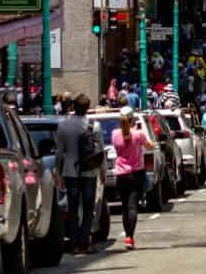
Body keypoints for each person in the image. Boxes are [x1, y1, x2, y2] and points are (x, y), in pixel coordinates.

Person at [54, 94, 103, 254]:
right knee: (89, 207)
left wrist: (59, 173)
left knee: (73, 208)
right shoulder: (94, 125)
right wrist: (102, 171)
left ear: (73, 107)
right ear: (88, 108)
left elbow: (59, 153)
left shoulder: (63, 125)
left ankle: (74, 243)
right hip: (89, 171)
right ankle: (85, 241)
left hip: (70, 171)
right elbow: (100, 151)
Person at [111, 106, 154, 251]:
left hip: (121, 174)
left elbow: (119, 146)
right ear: (132, 119)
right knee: (133, 206)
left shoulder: (115, 134)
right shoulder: (138, 134)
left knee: (124, 206)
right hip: (136, 173)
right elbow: (149, 146)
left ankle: (128, 236)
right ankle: (130, 236)